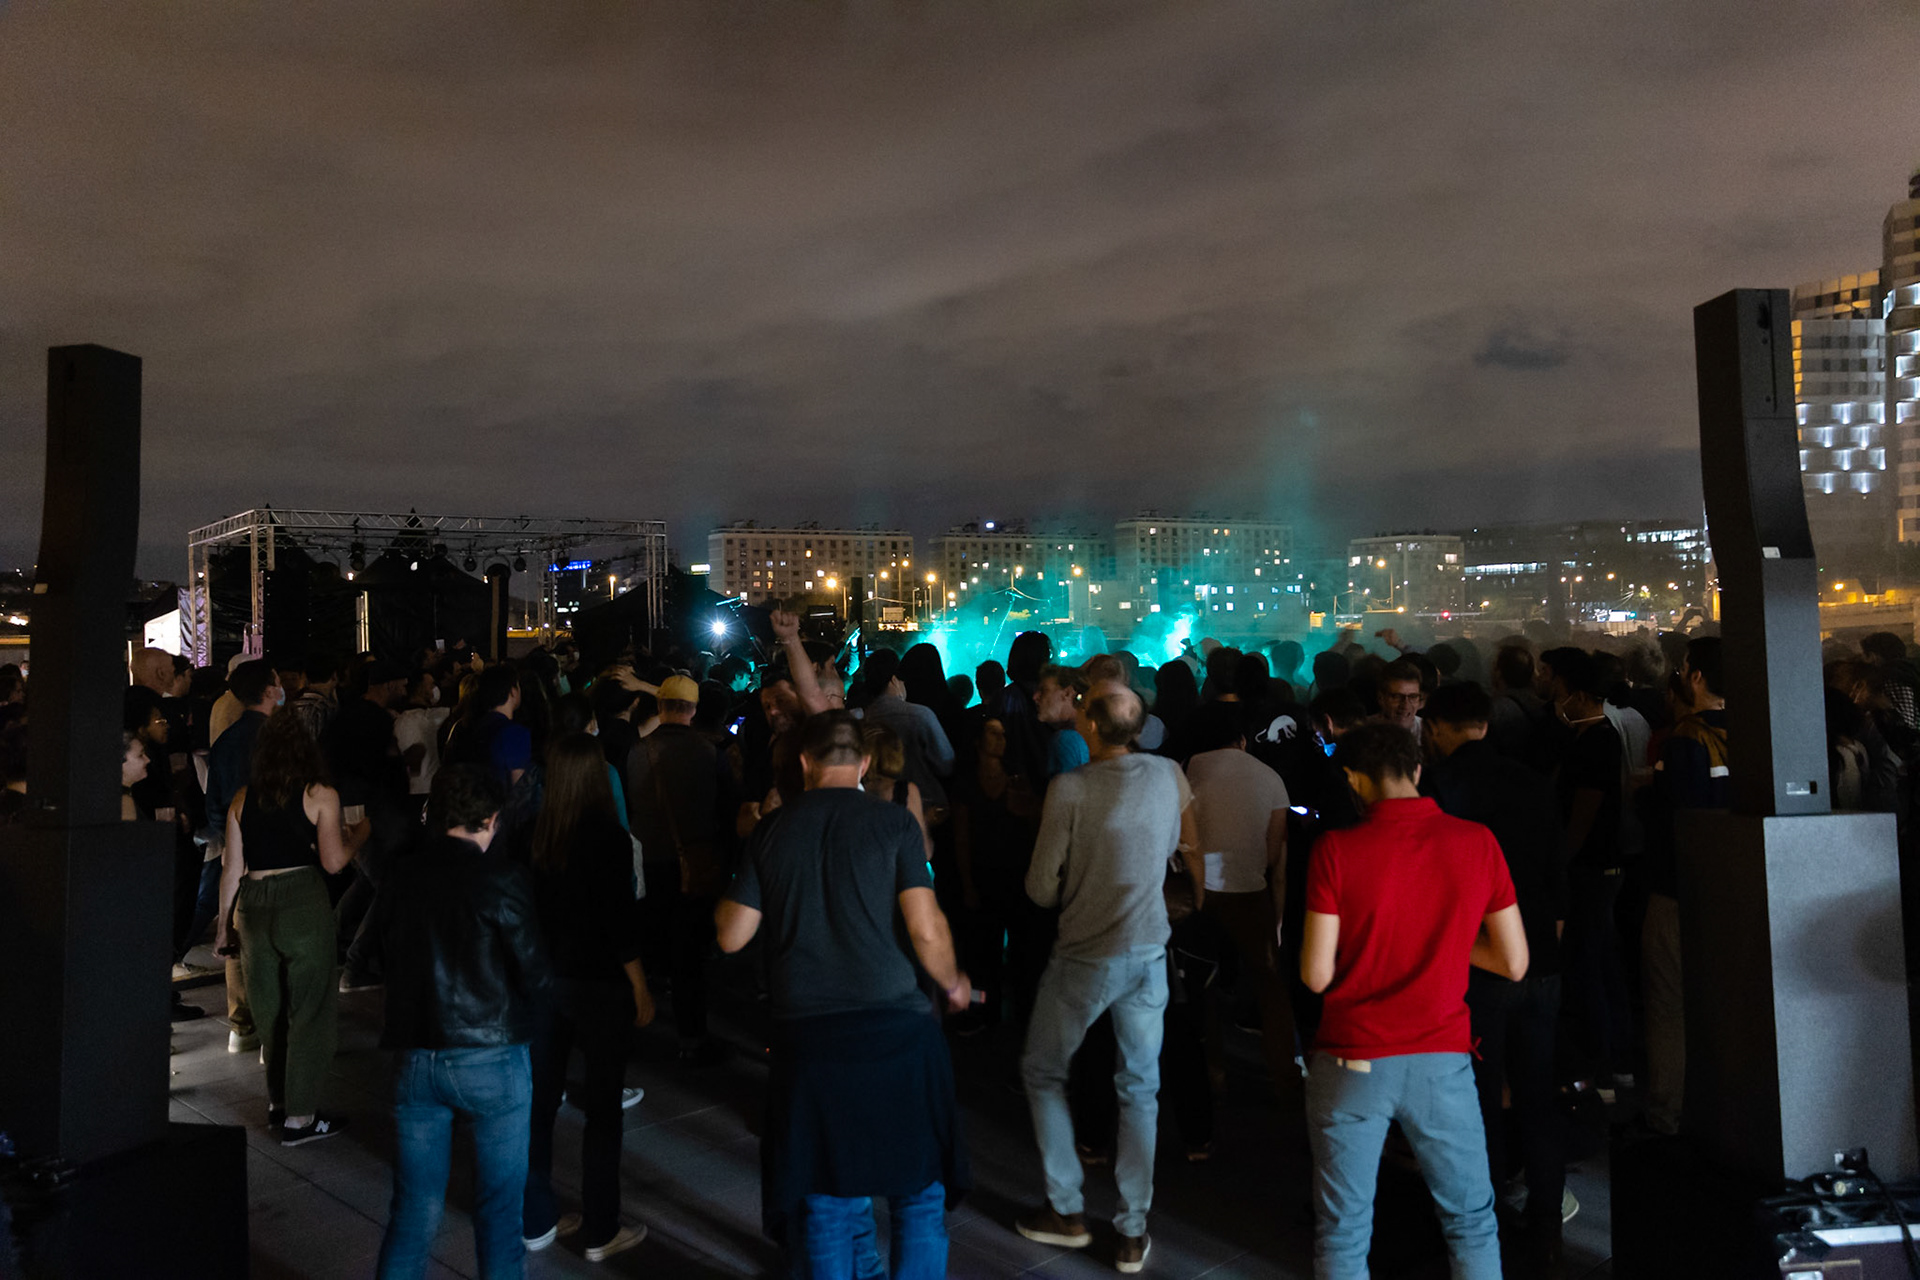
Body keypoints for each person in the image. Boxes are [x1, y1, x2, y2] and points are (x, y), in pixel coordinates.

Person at [715, 710, 970, 1280]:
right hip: (898, 1034)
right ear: (862, 764)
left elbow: (731, 936)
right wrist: (953, 982)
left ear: (804, 763)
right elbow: (926, 928)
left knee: (825, 1200)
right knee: (918, 1196)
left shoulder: (772, 831)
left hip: (811, 1041)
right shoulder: (895, 826)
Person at [1299, 722, 1527, 1279]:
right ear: (1418, 770)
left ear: (1354, 778)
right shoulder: (1477, 842)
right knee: (1471, 1220)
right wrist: (1444, 938)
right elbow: (1513, 962)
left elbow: (1315, 974)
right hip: (1442, 1060)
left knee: (1344, 1227)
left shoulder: (1336, 848)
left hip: (1353, 1056)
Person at [1017, 685, 1199, 1275]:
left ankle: (1067, 1210)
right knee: (1139, 1089)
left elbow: (1041, 888)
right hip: (1150, 952)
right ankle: (1131, 1230)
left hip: (1085, 957)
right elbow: (1173, 845)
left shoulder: (1069, 787)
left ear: (1089, 728)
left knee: (1043, 1071)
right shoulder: (1169, 773)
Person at [367, 765, 552, 1280]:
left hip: (417, 1054)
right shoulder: (502, 878)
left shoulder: (400, 875)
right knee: (498, 1210)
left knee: (414, 1209)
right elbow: (534, 971)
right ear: (491, 820)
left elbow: (386, 957)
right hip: (492, 1055)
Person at [1422, 683, 1572, 1246]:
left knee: (1479, 1098)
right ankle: (1547, 1222)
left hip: (1477, 962)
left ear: (1437, 727)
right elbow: (1559, 878)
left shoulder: (1440, 786)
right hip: (1541, 961)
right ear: (1485, 722)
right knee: (1538, 1097)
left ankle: (1485, 1226)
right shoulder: (1533, 783)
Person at [522, 734, 654, 1261]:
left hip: (545, 982)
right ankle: (601, 1228)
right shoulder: (609, 838)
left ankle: (535, 1216)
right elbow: (619, 923)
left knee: (539, 1105)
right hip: (600, 984)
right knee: (603, 1108)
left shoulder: (536, 833)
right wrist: (641, 986)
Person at [213, 711, 364, 1144]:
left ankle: (279, 1103)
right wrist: (361, 834)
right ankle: (301, 1117)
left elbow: (231, 868)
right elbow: (334, 862)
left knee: (270, 1010)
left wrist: (223, 926)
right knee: (310, 1009)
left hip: (254, 905)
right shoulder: (320, 794)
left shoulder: (243, 798)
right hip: (301, 899)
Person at [1183, 700, 1295, 1093]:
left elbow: (1185, 841)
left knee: (1204, 986)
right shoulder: (1270, 778)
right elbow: (1274, 855)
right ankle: (1285, 1075)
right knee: (1270, 985)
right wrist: (1276, 917)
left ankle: (1213, 1072)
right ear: (1243, 741)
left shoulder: (1191, 768)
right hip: (1251, 893)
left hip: (1203, 894)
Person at [1641, 636, 1728, 1137]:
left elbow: (1672, 819)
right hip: (1737, 892)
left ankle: (1667, 1115)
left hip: (1677, 892)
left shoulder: (1684, 740)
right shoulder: (1759, 731)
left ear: (1694, 676)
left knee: (1669, 1006)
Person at [628, 673, 736, 1067]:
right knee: (690, 954)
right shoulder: (710, 753)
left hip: (649, 864)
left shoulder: (637, 751)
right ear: (693, 709)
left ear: (661, 707)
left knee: (655, 944)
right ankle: (692, 1036)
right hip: (696, 865)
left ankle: (645, 1020)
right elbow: (726, 812)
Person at [198, 658, 283, 1054]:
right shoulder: (281, 739)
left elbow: (214, 803)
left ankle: (241, 1024)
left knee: (235, 928)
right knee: (275, 936)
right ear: (270, 689)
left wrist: (231, 834)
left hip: (234, 844)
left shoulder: (225, 741)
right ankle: (274, 1026)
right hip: (275, 849)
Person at [854, 647, 956, 814]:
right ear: (894, 680)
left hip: (876, 806)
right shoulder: (920, 715)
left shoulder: (863, 718)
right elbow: (945, 764)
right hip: (925, 808)